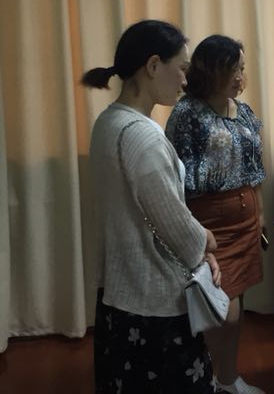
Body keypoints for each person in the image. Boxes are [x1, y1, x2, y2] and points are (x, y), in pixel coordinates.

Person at [83, 20, 219, 393]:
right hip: (154, 301)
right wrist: (206, 241)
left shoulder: (107, 122)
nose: (185, 81)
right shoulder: (145, 138)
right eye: (182, 69)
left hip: (118, 294)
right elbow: (175, 226)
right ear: (154, 65)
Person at [166, 35, 266, 394]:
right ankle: (206, 380)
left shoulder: (244, 111)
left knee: (236, 304)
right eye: (232, 70)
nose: (240, 77)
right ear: (210, 71)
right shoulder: (187, 113)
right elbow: (174, 177)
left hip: (246, 218)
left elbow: (255, 168)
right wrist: (190, 229)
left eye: (242, 69)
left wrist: (260, 213)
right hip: (208, 222)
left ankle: (227, 378)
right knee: (221, 308)